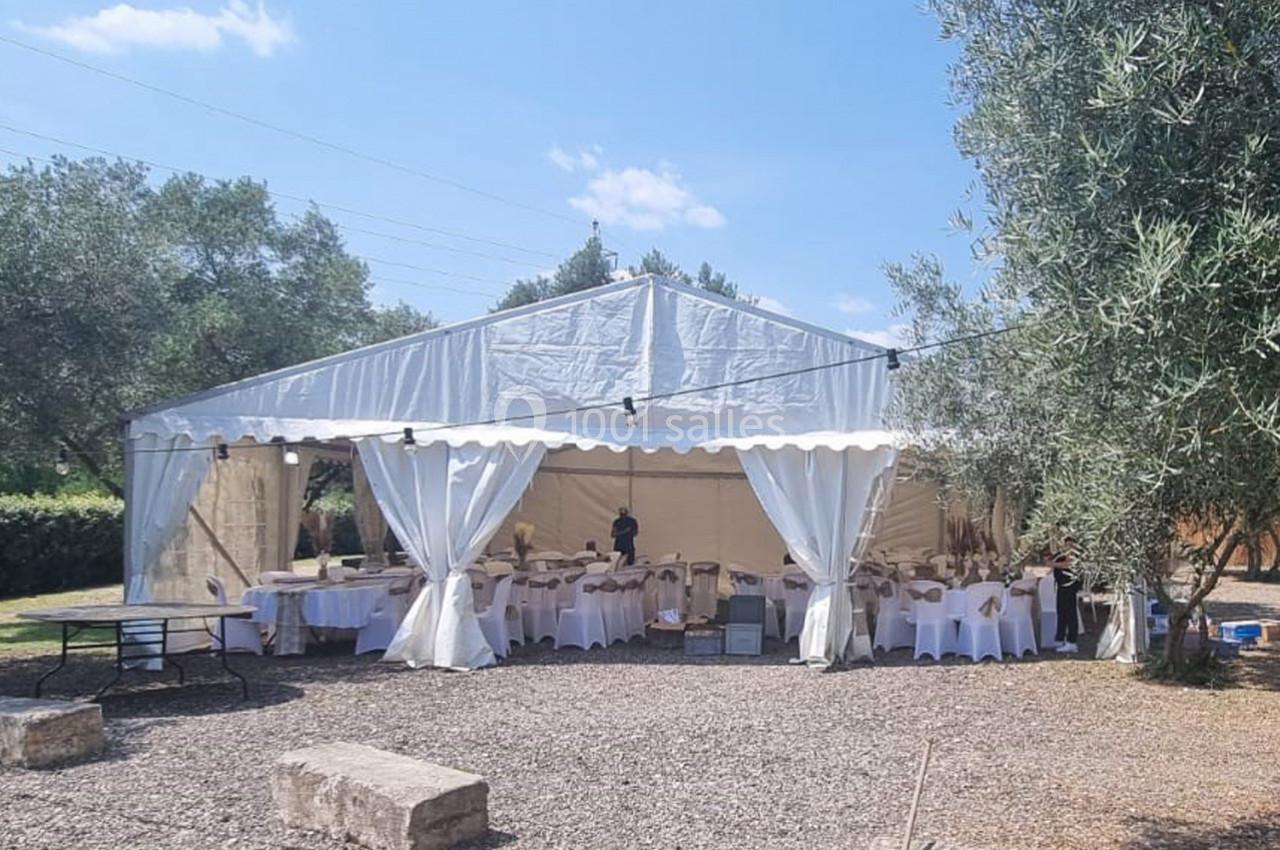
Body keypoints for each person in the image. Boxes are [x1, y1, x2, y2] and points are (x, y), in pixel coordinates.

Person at [1053, 536, 1082, 653]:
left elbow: (1067, 565)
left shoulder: (1075, 557)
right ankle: (1060, 638)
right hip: (1061, 587)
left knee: (1070, 614)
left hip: (1070, 588)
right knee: (1061, 613)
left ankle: (1072, 641)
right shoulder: (1061, 556)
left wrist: (1053, 564)